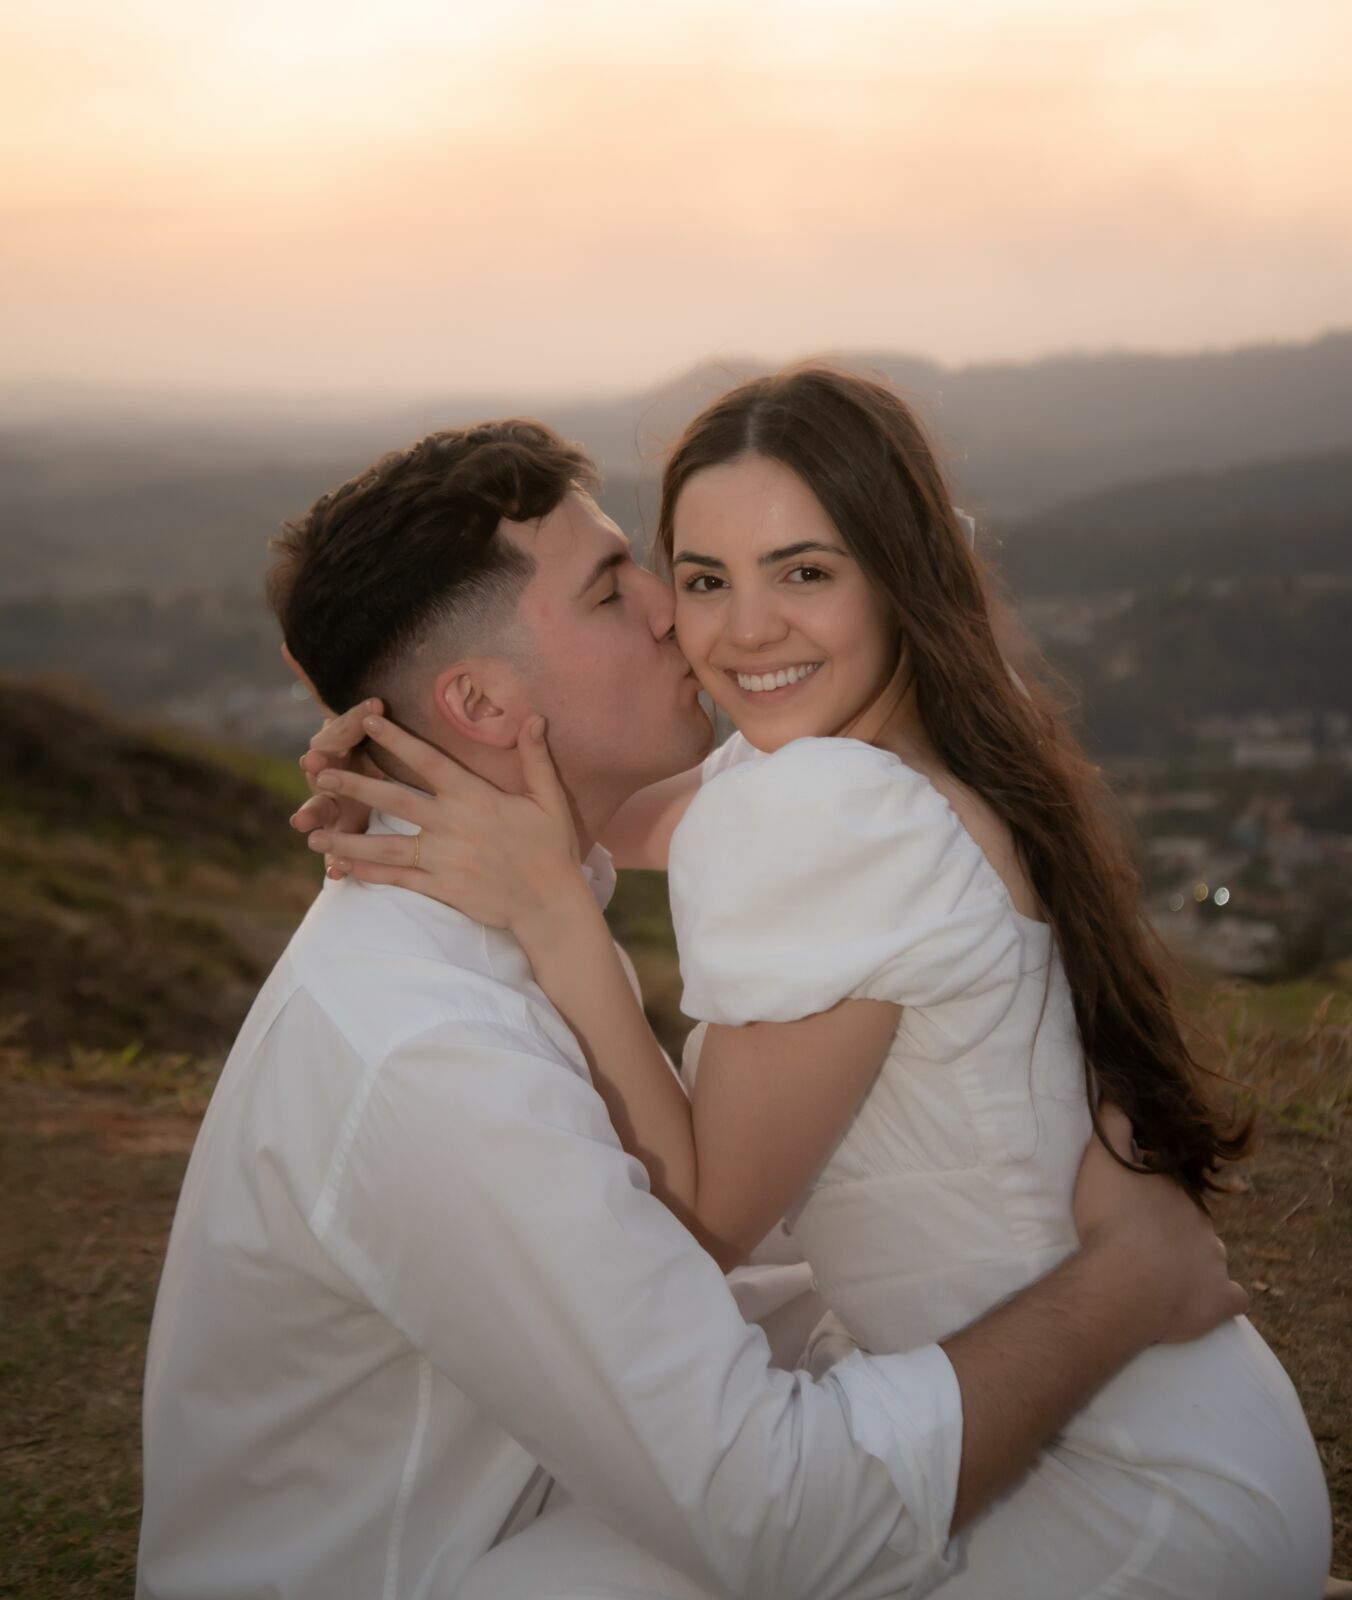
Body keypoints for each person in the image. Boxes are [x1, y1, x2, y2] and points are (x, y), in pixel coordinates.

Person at [138, 419, 1247, 1600]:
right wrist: (1114, 1290)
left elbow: (658, 1255)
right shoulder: (429, 1042)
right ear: (480, 699)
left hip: (531, 1518)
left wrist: (406, 745)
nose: (676, 609)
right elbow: (775, 1510)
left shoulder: (516, 910)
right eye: (615, 587)